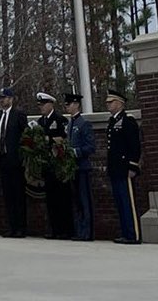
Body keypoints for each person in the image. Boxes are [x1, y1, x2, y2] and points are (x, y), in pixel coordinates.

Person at [105, 88, 141, 244]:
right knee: (120, 202)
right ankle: (125, 232)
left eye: (111, 102)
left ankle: (133, 234)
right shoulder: (112, 121)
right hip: (116, 168)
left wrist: (133, 166)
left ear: (120, 103)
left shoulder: (128, 120)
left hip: (125, 168)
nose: (108, 105)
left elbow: (134, 146)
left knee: (128, 202)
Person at [36, 92, 72, 240]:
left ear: (51, 104)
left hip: (59, 165)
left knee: (62, 198)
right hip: (47, 165)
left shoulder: (60, 120)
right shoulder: (40, 122)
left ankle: (65, 229)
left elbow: (62, 140)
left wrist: (48, 139)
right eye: (40, 105)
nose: (41, 107)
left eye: (43, 104)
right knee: (50, 199)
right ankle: (54, 228)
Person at [0, 87, 28, 237]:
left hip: (16, 160)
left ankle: (21, 227)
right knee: (7, 196)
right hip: (3, 159)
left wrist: (22, 157)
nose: (2, 100)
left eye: (5, 98)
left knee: (18, 195)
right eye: (0, 98)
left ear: (11, 99)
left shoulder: (18, 115)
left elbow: (25, 136)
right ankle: (11, 226)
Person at [63, 91, 95, 241]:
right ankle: (79, 230)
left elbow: (90, 147)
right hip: (72, 168)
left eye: (69, 104)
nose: (67, 107)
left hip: (81, 167)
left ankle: (86, 231)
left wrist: (75, 152)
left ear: (76, 105)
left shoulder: (83, 124)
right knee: (76, 200)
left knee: (84, 200)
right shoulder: (70, 124)